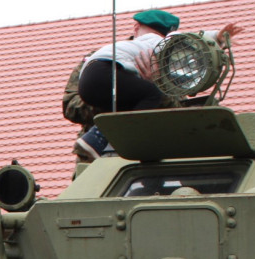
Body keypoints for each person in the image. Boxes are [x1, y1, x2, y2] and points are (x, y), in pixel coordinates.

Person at [75, 10, 240, 159]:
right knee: (152, 93)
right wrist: (217, 38)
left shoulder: (120, 48)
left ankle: (94, 139)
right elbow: (192, 40)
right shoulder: (159, 44)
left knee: (133, 100)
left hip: (89, 79)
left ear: (137, 28)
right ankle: (123, 140)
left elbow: (174, 109)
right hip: (103, 72)